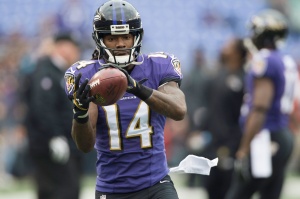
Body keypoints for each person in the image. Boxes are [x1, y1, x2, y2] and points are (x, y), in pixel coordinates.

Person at [64, 0, 186, 199]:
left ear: (136, 37)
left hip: (156, 183)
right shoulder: (87, 74)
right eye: (112, 38)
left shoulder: (158, 65)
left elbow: (179, 110)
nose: (120, 44)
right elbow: (85, 145)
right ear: (100, 40)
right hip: (112, 188)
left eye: (126, 36)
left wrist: (136, 87)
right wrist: (80, 112)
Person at [225, 9, 298, 199]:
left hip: (264, 137)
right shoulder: (285, 60)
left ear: (262, 34)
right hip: (281, 134)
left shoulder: (264, 60)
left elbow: (259, 108)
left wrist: (243, 148)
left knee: (238, 193)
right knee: (270, 194)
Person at [24, 33, 83, 199]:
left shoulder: (60, 72)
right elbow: (42, 108)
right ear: (63, 47)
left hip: (59, 142)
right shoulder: (46, 71)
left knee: (54, 190)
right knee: (65, 190)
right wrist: (54, 136)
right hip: (50, 145)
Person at [199, 38, 246, 199]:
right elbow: (207, 107)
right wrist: (198, 130)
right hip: (212, 141)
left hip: (231, 142)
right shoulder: (217, 75)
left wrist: (233, 144)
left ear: (238, 52)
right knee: (210, 185)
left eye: (229, 45)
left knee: (228, 188)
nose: (223, 47)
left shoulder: (244, 78)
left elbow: (243, 114)